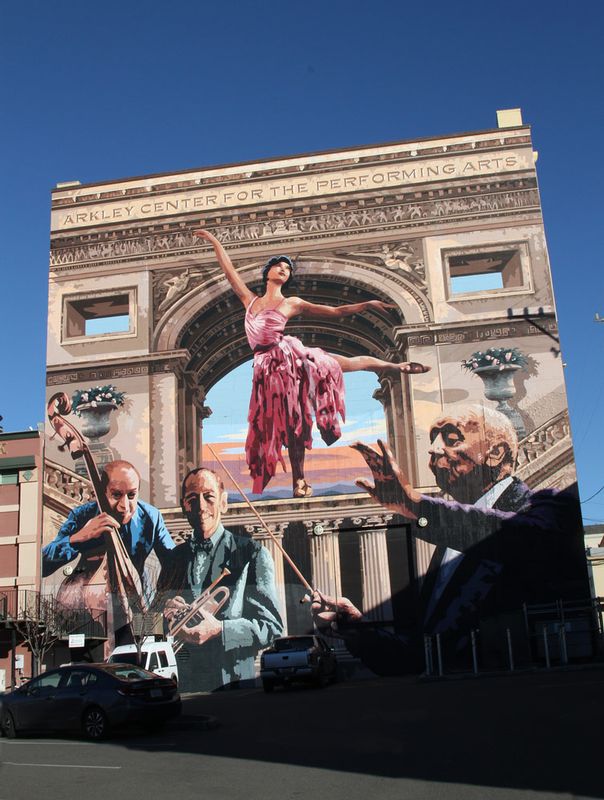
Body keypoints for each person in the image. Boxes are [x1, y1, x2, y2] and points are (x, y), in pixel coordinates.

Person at [312, 405, 585, 673]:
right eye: (433, 440)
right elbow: (422, 655)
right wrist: (357, 627)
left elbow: (525, 539)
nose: (433, 449)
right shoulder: (448, 542)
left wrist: (417, 506)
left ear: (496, 453)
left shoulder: (548, 507)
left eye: (451, 438)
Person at [193, 228, 430, 498]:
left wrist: (367, 305)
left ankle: (397, 367)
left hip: (287, 359)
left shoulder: (291, 302)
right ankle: (298, 479)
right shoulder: (250, 300)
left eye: (287, 269)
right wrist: (214, 241)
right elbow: (228, 272)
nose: (283, 271)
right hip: (265, 367)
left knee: (325, 385)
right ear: (267, 272)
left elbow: (336, 312)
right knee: (272, 426)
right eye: (279, 267)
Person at [161, 467, 284, 692]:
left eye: (209, 497)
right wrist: (163, 616)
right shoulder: (172, 559)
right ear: (183, 506)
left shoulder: (253, 553)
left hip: (233, 681)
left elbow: (273, 628)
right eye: (192, 499)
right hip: (185, 683)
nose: (200, 506)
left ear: (224, 502)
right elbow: (145, 625)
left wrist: (221, 629)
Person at [42, 460, 175, 589]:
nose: (125, 506)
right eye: (116, 495)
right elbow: (41, 565)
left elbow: (174, 562)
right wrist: (78, 538)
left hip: (134, 598)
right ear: (103, 492)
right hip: (85, 596)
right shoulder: (82, 514)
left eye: (132, 495)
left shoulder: (152, 516)